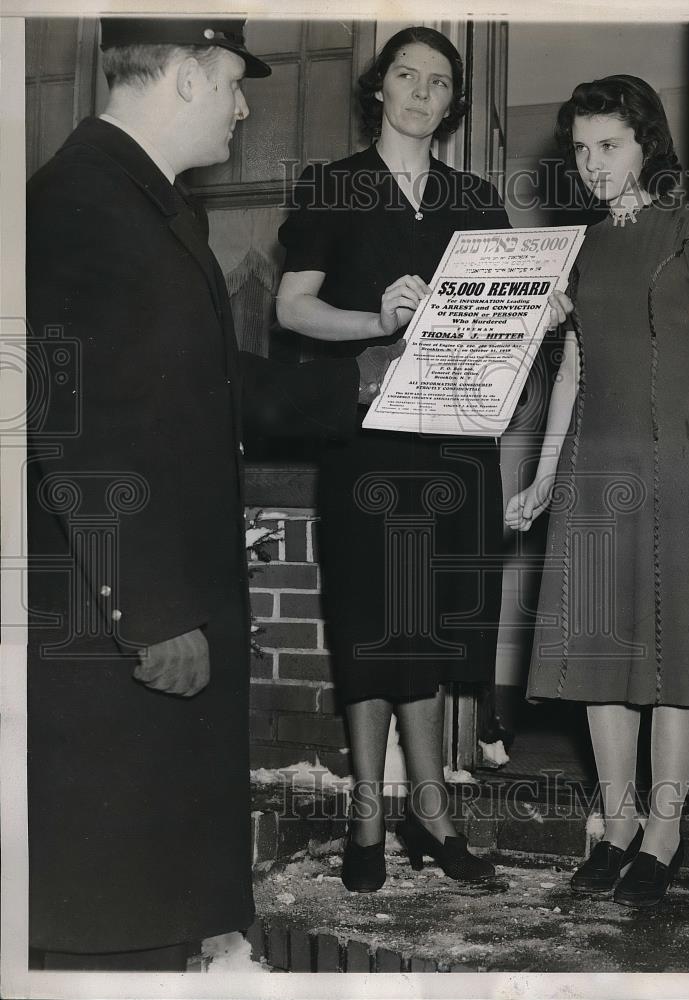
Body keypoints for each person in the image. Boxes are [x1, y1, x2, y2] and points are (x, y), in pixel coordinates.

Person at [26, 17, 402, 971]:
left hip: (148, 619)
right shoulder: (75, 201)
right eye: (235, 83)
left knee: (149, 896)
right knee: (106, 908)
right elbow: (73, 428)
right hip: (114, 627)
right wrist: (150, 613)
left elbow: (207, 378)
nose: (243, 107)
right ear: (188, 75)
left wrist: (360, 379)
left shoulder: (144, 203)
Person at [275, 26, 510, 893]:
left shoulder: (475, 198)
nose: (419, 91)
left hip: (449, 441)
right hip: (366, 437)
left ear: (452, 101)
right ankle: (369, 815)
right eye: (404, 75)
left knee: (421, 624)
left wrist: (537, 311)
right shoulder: (333, 188)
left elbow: (500, 317)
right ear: (379, 88)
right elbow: (294, 311)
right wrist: (376, 321)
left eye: (437, 81)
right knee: (371, 623)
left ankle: (428, 810)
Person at [505, 74, 689, 907]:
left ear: (647, 143)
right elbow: (573, 364)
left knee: (671, 647)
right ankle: (614, 824)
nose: (591, 163)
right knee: (599, 649)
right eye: (578, 149)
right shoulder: (579, 246)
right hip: (592, 467)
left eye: (607, 145)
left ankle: (664, 830)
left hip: (675, 456)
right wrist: (542, 474)